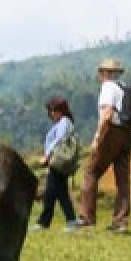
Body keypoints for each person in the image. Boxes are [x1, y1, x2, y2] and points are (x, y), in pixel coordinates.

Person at [77, 58, 131, 232]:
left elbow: (107, 114)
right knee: (122, 180)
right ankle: (121, 221)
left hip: (111, 132)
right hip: (127, 133)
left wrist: (97, 138)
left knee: (91, 172)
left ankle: (87, 218)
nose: (100, 75)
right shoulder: (125, 88)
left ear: (105, 73)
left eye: (101, 72)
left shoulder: (108, 87)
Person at [33, 97, 79, 231]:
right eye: (51, 110)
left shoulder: (64, 122)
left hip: (58, 161)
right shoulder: (61, 123)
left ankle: (71, 220)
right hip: (57, 162)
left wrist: (47, 156)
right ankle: (44, 222)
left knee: (60, 192)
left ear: (62, 110)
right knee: (50, 193)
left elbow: (59, 140)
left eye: (55, 110)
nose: (52, 113)